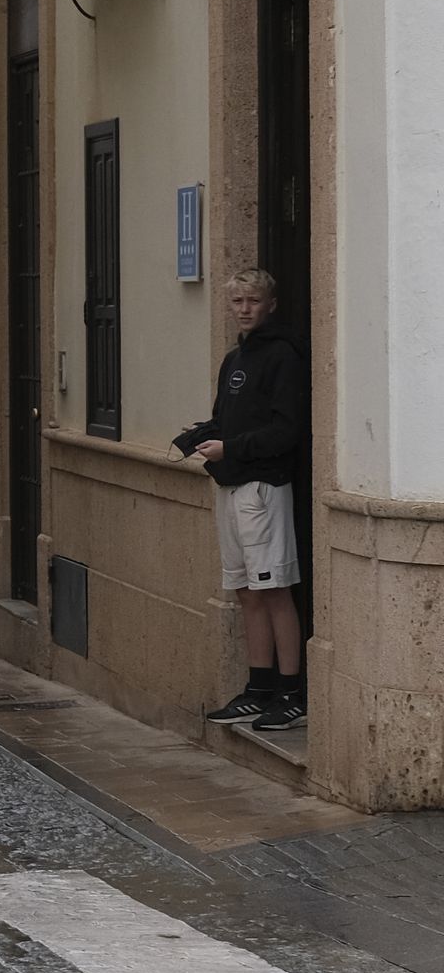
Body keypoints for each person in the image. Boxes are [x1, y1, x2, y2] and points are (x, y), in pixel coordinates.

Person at [197, 269, 309, 731]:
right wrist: (203, 437)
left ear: (271, 304)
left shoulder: (284, 356)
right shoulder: (234, 358)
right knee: (245, 591)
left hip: (263, 488)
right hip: (230, 484)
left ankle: (291, 692)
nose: (244, 309)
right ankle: (258, 687)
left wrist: (234, 448)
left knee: (274, 589)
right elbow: (226, 418)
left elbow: (287, 430)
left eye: (253, 301)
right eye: (238, 301)